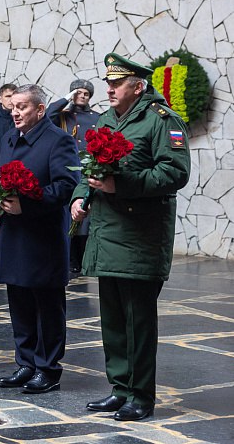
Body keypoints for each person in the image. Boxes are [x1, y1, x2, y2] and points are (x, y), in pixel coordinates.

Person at [71, 54, 190, 422]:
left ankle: (141, 396)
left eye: (117, 83)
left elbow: (175, 172)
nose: (108, 89)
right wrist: (81, 195)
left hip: (141, 236)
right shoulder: (107, 119)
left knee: (138, 321)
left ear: (138, 87)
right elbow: (91, 166)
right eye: (108, 82)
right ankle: (120, 388)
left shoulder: (161, 120)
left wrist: (120, 186)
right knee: (112, 320)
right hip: (107, 233)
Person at [0, 84, 79, 393]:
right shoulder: (9, 138)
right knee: (19, 302)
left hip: (43, 237)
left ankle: (47, 368)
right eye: (13, 106)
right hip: (13, 234)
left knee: (47, 306)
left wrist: (28, 205)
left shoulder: (58, 140)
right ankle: (26, 363)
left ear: (39, 109)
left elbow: (65, 186)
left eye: (22, 107)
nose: (15, 112)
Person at [46, 79, 100, 273]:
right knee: (67, 215)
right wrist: (66, 100)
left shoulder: (97, 117)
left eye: (86, 93)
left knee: (84, 217)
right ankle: (69, 259)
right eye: (78, 93)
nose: (82, 96)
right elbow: (46, 116)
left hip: (86, 171)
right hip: (66, 171)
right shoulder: (62, 115)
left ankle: (82, 258)